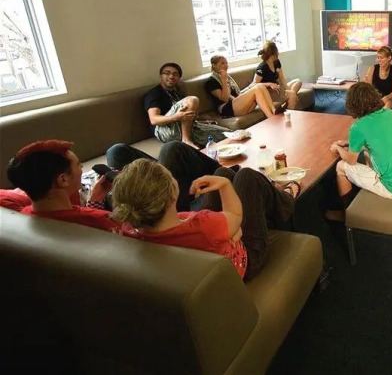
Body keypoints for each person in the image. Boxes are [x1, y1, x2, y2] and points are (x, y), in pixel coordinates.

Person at [110, 159, 297, 280]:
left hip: (207, 250)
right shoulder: (204, 225)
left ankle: (263, 199)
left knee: (222, 172)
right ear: (173, 195)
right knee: (246, 176)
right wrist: (225, 186)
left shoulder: (128, 228)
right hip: (246, 261)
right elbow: (235, 217)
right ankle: (287, 202)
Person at [326, 83, 392, 221]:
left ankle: (347, 214)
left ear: (352, 104)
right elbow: (380, 138)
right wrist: (349, 143)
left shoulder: (358, 127)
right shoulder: (390, 114)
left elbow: (351, 160)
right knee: (368, 151)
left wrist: (338, 148)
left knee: (340, 166)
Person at [6, 140, 120, 232]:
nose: (81, 167)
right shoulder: (105, 220)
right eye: (78, 165)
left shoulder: (23, 215)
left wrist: (95, 203)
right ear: (63, 180)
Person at [104, 141, 225, 212]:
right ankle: (223, 174)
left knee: (116, 151)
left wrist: (96, 200)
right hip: (173, 209)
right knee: (172, 149)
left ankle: (222, 172)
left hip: (143, 197)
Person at [143, 62, 229, 149]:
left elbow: (186, 117)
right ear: (161, 76)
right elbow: (154, 120)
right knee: (192, 100)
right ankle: (186, 141)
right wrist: (176, 117)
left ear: (179, 78)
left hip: (185, 129)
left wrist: (200, 122)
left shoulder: (178, 93)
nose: (171, 76)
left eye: (175, 74)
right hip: (165, 130)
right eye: (167, 73)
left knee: (227, 134)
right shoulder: (154, 93)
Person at [205, 55, 277, 119]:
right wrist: (224, 81)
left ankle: (273, 110)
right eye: (222, 63)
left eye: (226, 63)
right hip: (227, 109)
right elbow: (225, 99)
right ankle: (271, 117)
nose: (226, 65)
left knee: (260, 86)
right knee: (256, 89)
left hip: (238, 104)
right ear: (214, 65)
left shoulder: (227, 78)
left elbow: (238, 93)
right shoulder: (211, 81)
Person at [252, 42, 302, 110]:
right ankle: (288, 108)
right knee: (292, 95)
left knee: (298, 82)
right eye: (277, 52)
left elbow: (281, 77)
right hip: (269, 93)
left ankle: (288, 100)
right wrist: (269, 84)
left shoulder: (276, 62)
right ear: (272, 55)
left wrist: (287, 89)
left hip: (278, 89)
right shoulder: (262, 67)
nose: (278, 53)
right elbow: (254, 84)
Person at [365, 46, 392, 110]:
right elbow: (369, 88)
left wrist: (386, 98)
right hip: (375, 99)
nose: (378, 60)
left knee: (388, 103)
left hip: (389, 99)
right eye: (378, 57)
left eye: (381, 58)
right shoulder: (372, 68)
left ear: (389, 58)